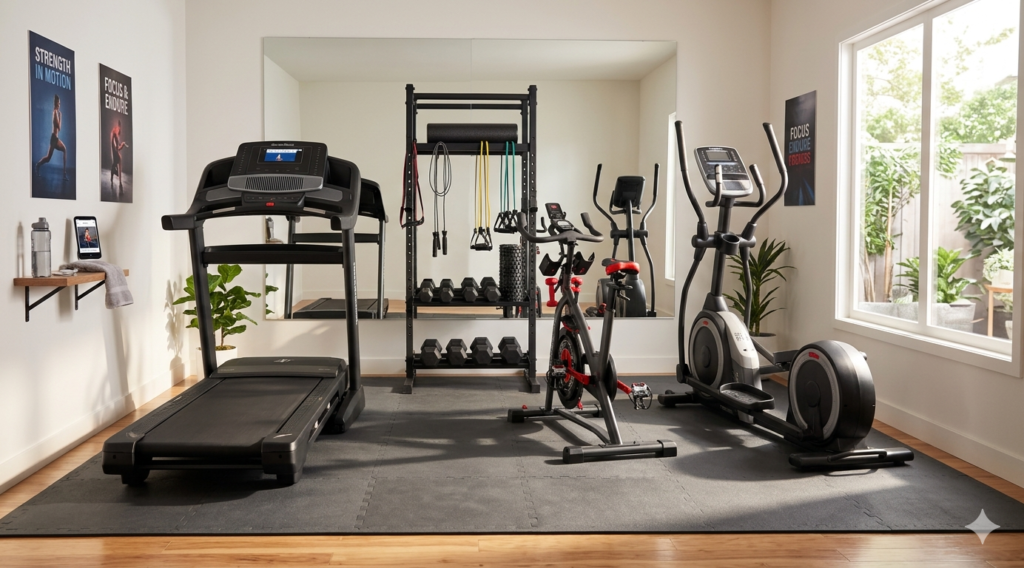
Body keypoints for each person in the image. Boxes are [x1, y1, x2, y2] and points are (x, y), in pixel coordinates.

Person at [36, 94, 68, 181]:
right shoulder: (55, 113)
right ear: (56, 103)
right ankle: (38, 165)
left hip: (54, 138)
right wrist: (61, 117)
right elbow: (59, 128)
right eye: (59, 103)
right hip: (54, 138)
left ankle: (64, 174)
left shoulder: (55, 112)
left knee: (50, 157)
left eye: (60, 103)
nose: (59, 105)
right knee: (48, 158)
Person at [110, 120, 128, 194]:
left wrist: (121, 145)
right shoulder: (115, 133)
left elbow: (117, 147)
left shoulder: (114, 134)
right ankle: (118, 180)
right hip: (114, 152)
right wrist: (122, 145)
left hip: (114, 152)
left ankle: (116, 178)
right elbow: (117, 149)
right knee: (118, 161)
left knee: (116, 163)